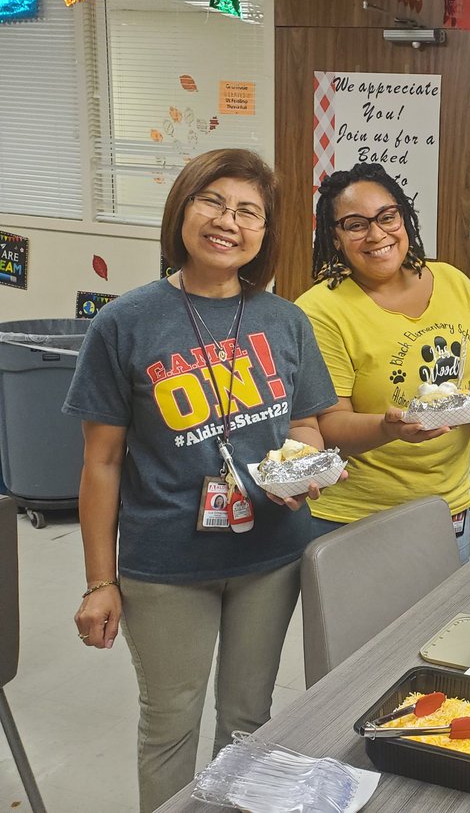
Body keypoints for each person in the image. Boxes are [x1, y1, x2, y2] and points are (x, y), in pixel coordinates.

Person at [64, 148, 341, 812]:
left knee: (249, 719)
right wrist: (100, 582)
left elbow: (304, 423)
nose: (229, 221)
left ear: (266, 233)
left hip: (270, 552)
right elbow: (100, 462)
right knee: (170, 723)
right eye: (212, 201)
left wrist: (302, 469)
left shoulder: (285, 319)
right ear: (183, 210)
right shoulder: (125, 322)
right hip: (165, 563)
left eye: (249, 211)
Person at [296, 163, 470, 563]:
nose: (377, 234)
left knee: (442, 626)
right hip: (357, 520)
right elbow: (327, 426)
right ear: (335, 238)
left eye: (387, 217)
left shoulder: (453, 282)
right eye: (356, 225)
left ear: (404, 218)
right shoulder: (321, 310)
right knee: (370, 630)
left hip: (449, 507)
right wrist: (389, 428)